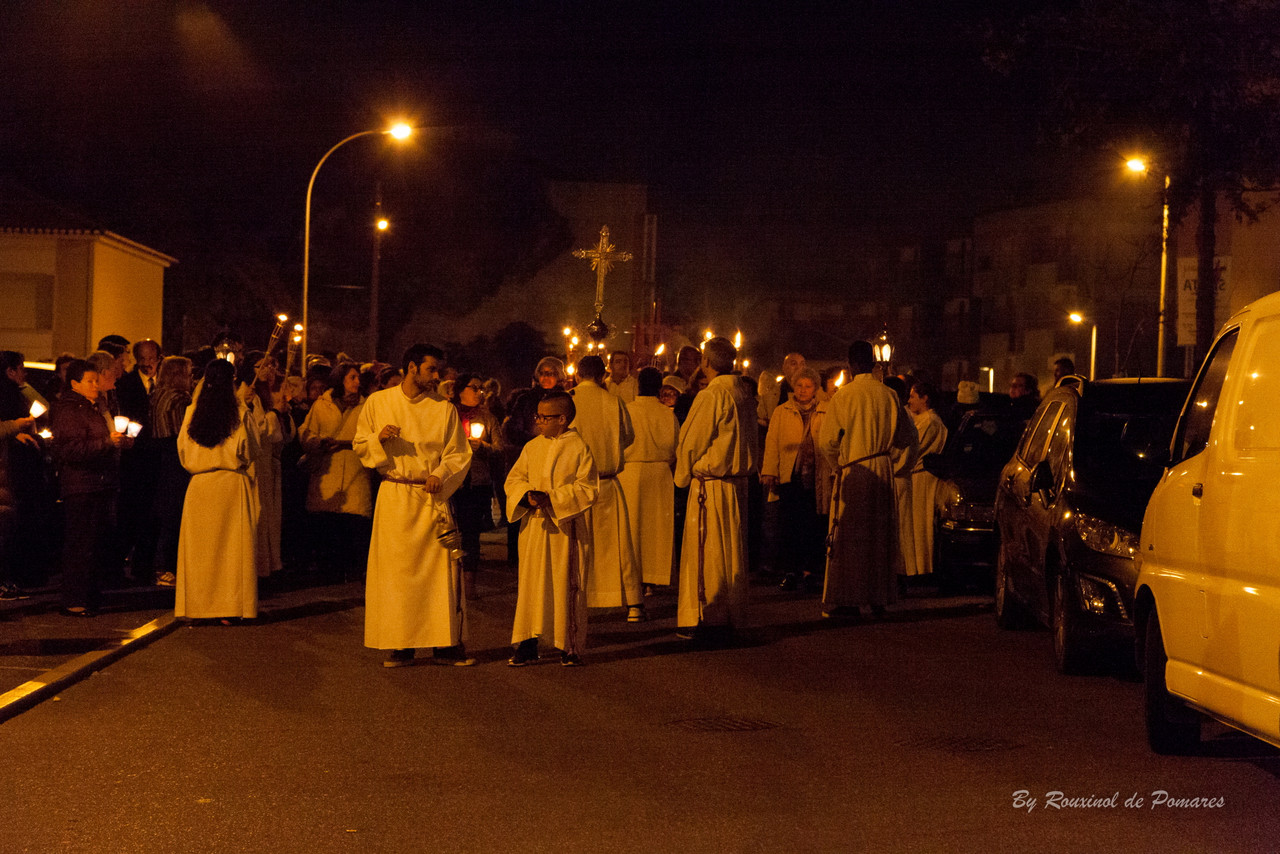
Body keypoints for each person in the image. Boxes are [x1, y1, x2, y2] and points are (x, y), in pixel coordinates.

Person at [353, 344, 475, 668]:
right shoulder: (379, 402)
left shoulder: (444, 408)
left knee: (439, 574)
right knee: (397, 574)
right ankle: (401, 644)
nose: (437, 376)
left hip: (431, 496)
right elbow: (359, 442)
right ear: (411, 368)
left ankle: (445, 644)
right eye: (431, 369)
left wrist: (439, 473)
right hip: (395, 494)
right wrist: (378, 438)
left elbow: (458, 453)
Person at [817, 340, 919, 619]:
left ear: (851, 364)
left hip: (855, 471)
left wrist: (839, 464)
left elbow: (826, 440)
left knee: (851, 538)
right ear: (874, 363)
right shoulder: (888, 395)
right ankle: (878, 598)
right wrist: (898, 465)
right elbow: (909, 437)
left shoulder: (844, 396)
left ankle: (848, 600)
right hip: (883, 472)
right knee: (879, 538)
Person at [505, 390, 598, 667]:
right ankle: (528, 641)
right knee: (532, 584)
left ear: (562, 419)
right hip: (534, 527)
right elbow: (515, 479)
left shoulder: (579, 448)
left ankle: (568, 644)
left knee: (565, 584)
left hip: (564, 527)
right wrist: (527, 495)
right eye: (537, 416)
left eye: (545, 417)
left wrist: (553, 499)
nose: (539, 422)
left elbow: (587, 487)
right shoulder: (533, 447)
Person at [673, 337, 755, 641]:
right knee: (730, 552)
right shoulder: (744, 393)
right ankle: (729, 613)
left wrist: (682, 477)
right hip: (735, 485)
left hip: (711, 483)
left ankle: (705, 616)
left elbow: (692, 440)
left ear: (707, 362)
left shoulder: (712, 396)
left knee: (706, 551)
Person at [175, 358, 259, 623]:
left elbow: (182, 450)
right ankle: (230, 608)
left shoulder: (191, 413)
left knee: (200, 552)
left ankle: (199, 608)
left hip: (199, 486)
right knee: (231, 552)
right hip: (232, 485)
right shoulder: (240, 414)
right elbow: (252, 449)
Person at [51, 359, 129, 616]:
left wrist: (117, 443)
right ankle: (74, 599)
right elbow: (71, 450)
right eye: (90, 381)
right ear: (75, 383)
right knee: (80, 543)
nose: (96, 385)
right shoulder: (70, 409)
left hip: (100, 483)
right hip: (82, 484)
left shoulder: (93, 406)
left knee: (96, 542)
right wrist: (107, 442)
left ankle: (91, 596)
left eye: (97, 380)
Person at [571, 355, 644, 620]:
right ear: (603, 376)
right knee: (619, 546)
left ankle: (576, 598)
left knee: (577, 545)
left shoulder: (569, 400)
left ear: (578, 375)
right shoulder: (614, 402)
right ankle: (633, 604)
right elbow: (628, 436)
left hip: (575, 486)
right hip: (607, 482)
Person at [299, 360, 372, 580]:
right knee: (328, 519)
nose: (357, 382)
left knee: (353, 519)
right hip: (327, 467)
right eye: (352, 377)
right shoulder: (322, 405)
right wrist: (318, 442)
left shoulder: (367, 406)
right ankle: (328, 567)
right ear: (340, 379)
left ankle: (350, 567)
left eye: (358, 377)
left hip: (354, 467)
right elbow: (306, 431)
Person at [761, 366, 831, 593]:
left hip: (816, 477)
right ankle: (791, 571)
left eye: (808, 386)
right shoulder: (783, 411)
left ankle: (810, 572)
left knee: (812, 525)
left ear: (815, 389)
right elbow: (772, 442)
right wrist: (770, 471)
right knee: (789, 524)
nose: (803, 390)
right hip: (790, 475)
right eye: (799, 385)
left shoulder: (826, 411)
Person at [502, 357, 568, 564]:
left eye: (552, 373)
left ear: (559, 377)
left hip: (558, 458)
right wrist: (539, 440)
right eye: (543, 373)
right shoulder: (525, 400)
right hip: (530, 456)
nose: (546, 377)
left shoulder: (565, 400)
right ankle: (516, 554)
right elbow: (513, 429)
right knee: (524, 499)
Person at [618, 367, 679, 591]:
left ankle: (632, 576)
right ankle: (653, 576)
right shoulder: (667, 413)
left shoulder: (628, 411)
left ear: (638, 385)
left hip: (631, 472)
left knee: (633, 526)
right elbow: (675, 445)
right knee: (657, 528)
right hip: (660, 473)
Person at [450, 373, 503, 599]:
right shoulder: (448, 414)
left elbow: (500, 450)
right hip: (451, 481)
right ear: (460, 390)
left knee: (471, 534)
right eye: (474, 388)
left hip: (477, 481)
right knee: (449, 532)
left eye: (481, 388)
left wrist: (482, 446)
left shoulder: (488, 417)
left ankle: (469, 585)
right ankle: (449, 582)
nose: (480, 392)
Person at [149, 356, 193, 587]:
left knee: (163, 511)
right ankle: (168, 567)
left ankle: (158, 565)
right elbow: (186, 431)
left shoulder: (156, 395)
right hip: (176, 453)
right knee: (175, 511)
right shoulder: (181, 399)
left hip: (159, 455)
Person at [905, 379, 948, 577]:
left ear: (925, 398)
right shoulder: (920, 419)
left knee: (921, 523)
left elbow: (913, 448)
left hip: (923, 477)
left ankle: (923, 568)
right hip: (916, 476)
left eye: (913, 396)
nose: (909, 400)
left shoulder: (930, 422)